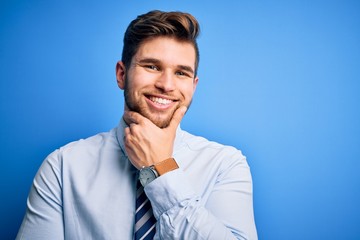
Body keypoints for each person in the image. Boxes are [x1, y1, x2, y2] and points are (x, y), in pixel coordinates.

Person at [16, 10, 257, 239]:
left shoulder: (225, 165)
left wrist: (161, 170)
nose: (166, 85)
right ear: (122, 74)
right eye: (152, 66)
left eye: (181, 73)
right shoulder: (62, 167)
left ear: (193, 86)